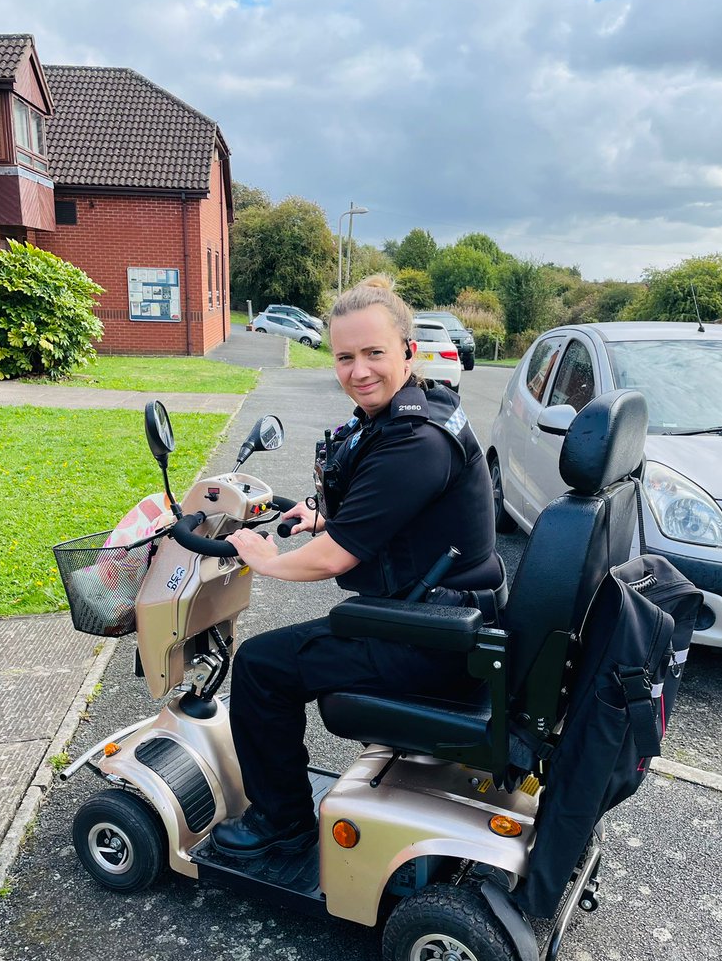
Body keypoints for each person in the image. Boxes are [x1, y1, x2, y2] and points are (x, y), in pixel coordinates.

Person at [212, 275, 506, 858]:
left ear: (407, 352)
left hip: (433, 636)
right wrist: (319, 515)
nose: (359, 370)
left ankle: (281, 821)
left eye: (374, 353)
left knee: (261, 665)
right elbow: (396, 511)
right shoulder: (419, 411)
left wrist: (266, 558)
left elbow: (336, 559)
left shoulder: (415, 441)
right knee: (288, 654)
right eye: (345, 357)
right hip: (444, 619)